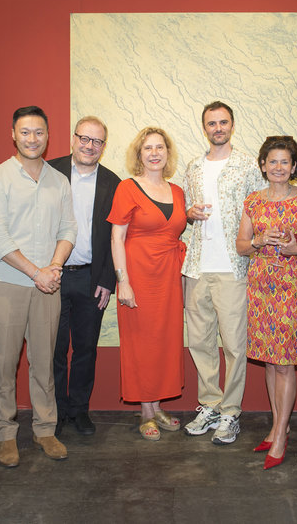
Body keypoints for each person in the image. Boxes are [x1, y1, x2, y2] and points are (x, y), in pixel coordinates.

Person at [0, 106, 77, 467]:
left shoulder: (59, 181)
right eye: (25, 132)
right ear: (13, 134)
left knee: (44, 362)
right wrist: (37, 272)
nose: (32, 139)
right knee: (4, 363)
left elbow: (68, 229)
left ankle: (44, 429)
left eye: (38, 132)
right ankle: (5, 433)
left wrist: (54, 267)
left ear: (47, 135)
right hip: (7, 284)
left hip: (48, 285)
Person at [182, 101, 264, 445]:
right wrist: (189, 213)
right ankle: (210, 405)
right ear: (204, 128)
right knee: (200, 343)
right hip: (197, 267)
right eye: (212, 123)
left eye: (223, 122)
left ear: (232, 125)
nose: (218, 128)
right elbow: (185, 211)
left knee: (233, 346)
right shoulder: (192, 167)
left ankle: (230, 412)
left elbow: (260, 210)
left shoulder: (248, 165)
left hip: (233, 267)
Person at [236, 136, 297, 470]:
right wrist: (258, 240)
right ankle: (275, 425)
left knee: (284, 363)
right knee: (269, 362)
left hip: (290, 286)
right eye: (273, 161)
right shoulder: (253, 201)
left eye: (285, 161)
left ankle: (282, 433)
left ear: (294, 166)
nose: (279, 167)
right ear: (263, 165)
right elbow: (241, 246)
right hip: (259, 287)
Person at [108, 126, 187, 441]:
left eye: (160, 147)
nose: (155, 153)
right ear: (139, 155)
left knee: (165, 342)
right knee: (141, 344)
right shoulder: (127, 188)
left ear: (168, 153)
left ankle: (157, 407)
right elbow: (116, 238)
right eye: (148, 148)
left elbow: (176, 229)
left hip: (169, 278)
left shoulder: (177, 191)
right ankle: (145, 413)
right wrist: (123, 282)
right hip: (138, 276)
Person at [49, 117, 121, 436]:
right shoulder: (49, 172)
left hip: (92, 279)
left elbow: (117, 236)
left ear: (104, 147)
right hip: (52, 276)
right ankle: (54, 411)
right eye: (85, 138)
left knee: (85, 349)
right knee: (53, 348)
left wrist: (108, 279)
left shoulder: (113, 183)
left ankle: (79, 410)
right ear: (73, 138)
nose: (90, 146)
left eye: (97, 141)